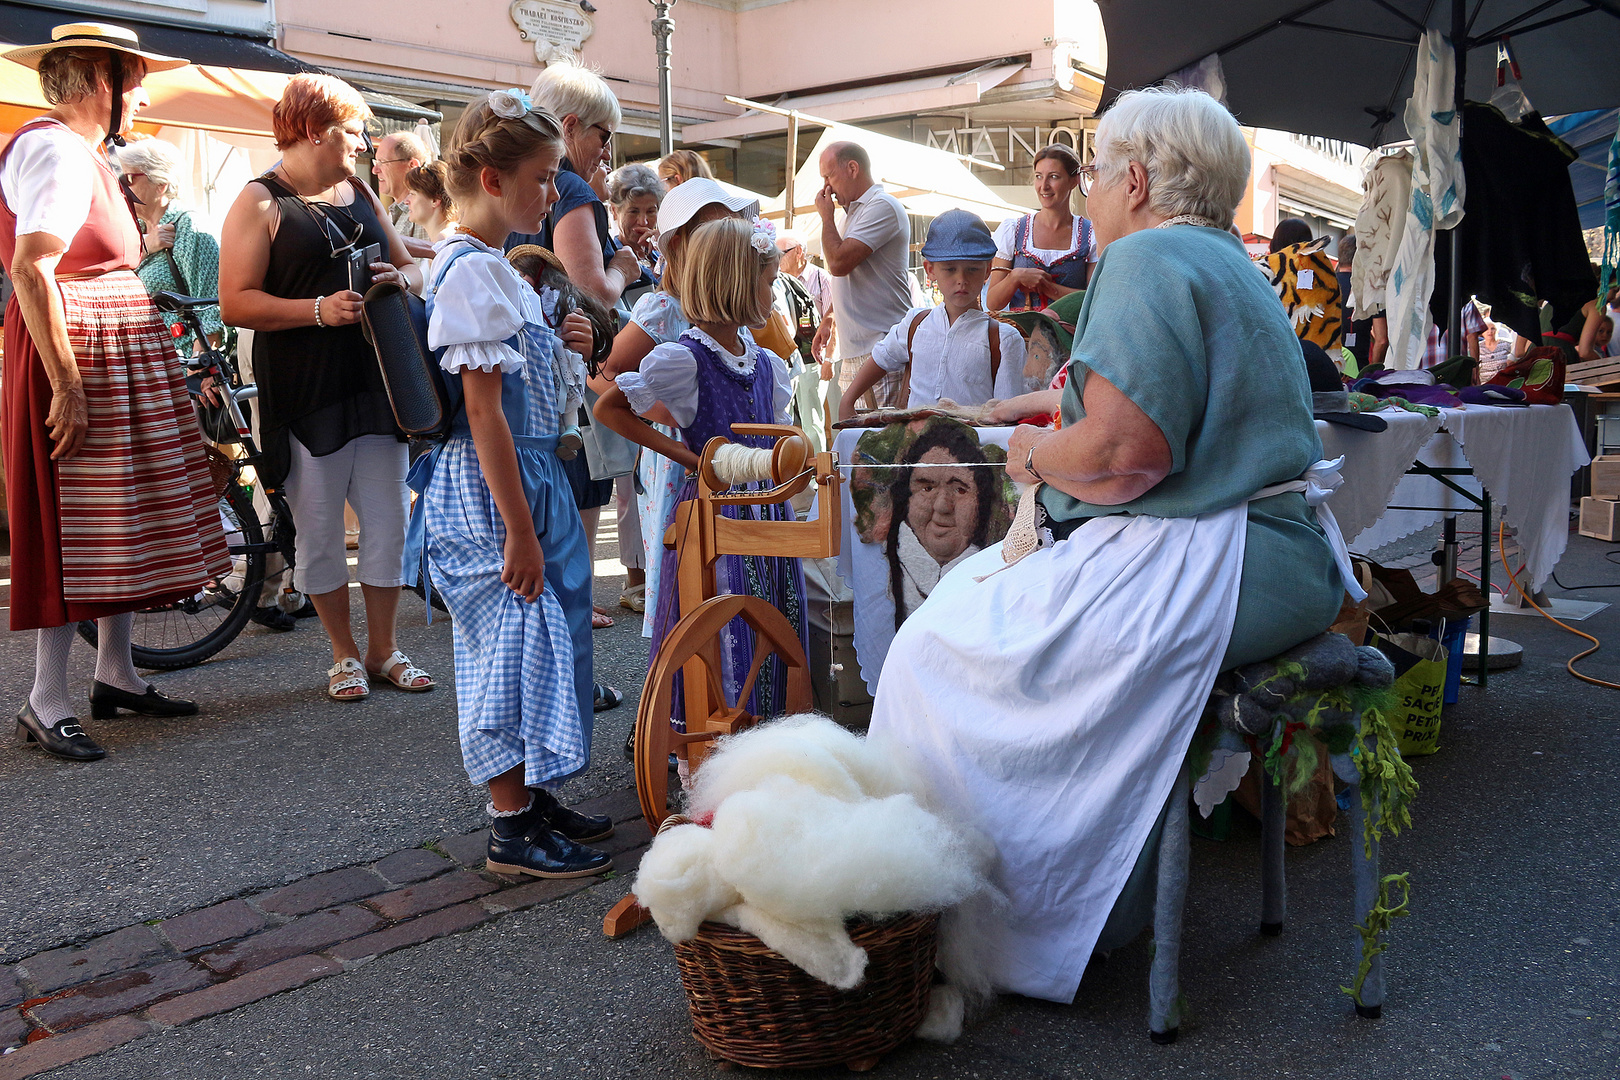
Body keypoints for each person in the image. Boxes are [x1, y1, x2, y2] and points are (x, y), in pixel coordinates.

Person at [869, 87, 1356, 1004]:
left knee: (940, 644)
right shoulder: (1231, 260)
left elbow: (1126, 457)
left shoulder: (1147, 258)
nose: (1088, 188)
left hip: (1228, 561)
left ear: (1135, 179)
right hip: (1284, 558)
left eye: (1094, 171)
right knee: (981, 612)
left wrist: (1029, 455)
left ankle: (992, 921)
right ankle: (1090, 903)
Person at [2, 22, 230, 761]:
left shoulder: (88, 154)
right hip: (77, 340)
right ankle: (45, 698)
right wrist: (66, 383)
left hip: (111, 335)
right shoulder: (53, 149)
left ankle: (116, 674)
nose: (142, 89)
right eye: (132, 76)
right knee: (78, 517)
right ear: (99, 78)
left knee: (122, 510)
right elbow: (33, 267)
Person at [407, 89, 613, 879]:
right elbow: (484, 414)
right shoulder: (469, 275)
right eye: (540, 177)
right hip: (494, 490)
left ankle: (532, 797)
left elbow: (531, 400)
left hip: (527, 477)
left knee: (541, 643)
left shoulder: (502, 274)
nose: (552, 192)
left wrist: (568, 344)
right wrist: (520, 528)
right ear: (492, 180)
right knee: (506, 647)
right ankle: (509, 824)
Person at [219, 73, 433, 701]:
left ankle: (384, 649)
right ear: (315, 131)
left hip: (378, 382)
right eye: (352, 130)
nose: (363, 144)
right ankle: (342, 653)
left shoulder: (357, 189)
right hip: (308, 388)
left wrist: (402, 276)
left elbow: (406, 261)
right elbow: (235, 302)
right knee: (316, 527)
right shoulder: (259, 201)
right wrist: (315, 310)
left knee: (389, 522)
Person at [595, 216, 804, 733]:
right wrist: (695, 459)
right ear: (735, 280)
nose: (774, 294)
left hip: (765, 511)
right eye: (767, 281)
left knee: (772, 622)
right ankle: (709, 743)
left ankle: (769, 740)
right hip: (716, 517)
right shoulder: (683, 360)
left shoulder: (763, 362)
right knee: (722, 624)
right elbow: (611, 409)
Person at [597, 178, 760, 653]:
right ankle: (681, 684)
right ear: (685, 243)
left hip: (728, 459)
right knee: (688, 567)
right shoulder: (665, 307)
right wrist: (668, 411)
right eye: (714, 231)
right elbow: (605, 376)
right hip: (681, 461)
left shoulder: (738, 313)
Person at [511, 60, 642, 645]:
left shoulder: (523, 182)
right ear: (571, 126)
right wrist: (624, 266)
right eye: (602, 134)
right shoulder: (568, 187)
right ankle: (570, 636)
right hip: (567, 374)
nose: (607, 150)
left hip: (530, 376)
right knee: (573, 510)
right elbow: (590, 292)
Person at [841, 210, 1026, 416]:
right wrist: (848, 400)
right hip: (913, 443)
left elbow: (1006, 414)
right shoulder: (915, 324)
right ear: (930, 270)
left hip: (972, 444)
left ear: (987, 269)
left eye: (972, 269)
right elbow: (882, 357)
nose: (961, 279)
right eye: (950, 269)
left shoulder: (1005, 340)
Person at [812, 141, 912, 422]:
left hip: (883, 348)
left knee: (882, 449)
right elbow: (847, 276)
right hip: (857, 351)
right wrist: (830, 317)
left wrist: (826, 216)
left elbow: (839, 263)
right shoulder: (851, 214)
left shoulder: (882, 206)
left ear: (852, 168)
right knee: (858, 447)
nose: (825, 188)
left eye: (828, 176)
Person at [884, 421, 1001, 624]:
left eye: (960, 490)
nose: (942, 506)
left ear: (981, 503)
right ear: (906, 498)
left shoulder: (998, 572)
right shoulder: (888, 568)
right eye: (927, 488)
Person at [118, 137, 220, 355]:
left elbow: (210, 305)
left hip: (182, 367)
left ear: (160, 184)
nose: (121, 187)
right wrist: (145, 247)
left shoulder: (189, 227)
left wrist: (201, 369)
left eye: (127, 179)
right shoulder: (133, 230)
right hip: (146, 364)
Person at [987, 144, 1096, 312]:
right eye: (1039, 176)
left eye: (1053, 177)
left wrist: (1048, 288)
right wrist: (1016, 277)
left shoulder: (1091, 234)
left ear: (1073, 181)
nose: (1043, 186)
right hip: (1021, 337)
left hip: (1069, 337)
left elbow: (1093, 301)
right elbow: (992, 303)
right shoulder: (1014, 230)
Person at [372, 130, 436, 260]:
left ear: (412, 165)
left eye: (382, 162)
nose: (375, 170)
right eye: (375, 162)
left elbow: (425, 274)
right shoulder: (395, 212)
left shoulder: (423, 211)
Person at [403, 160, 456, 242]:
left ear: (435, 200)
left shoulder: (445, 239)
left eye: (412, 194)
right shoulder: (449, 234)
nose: (406, 201)